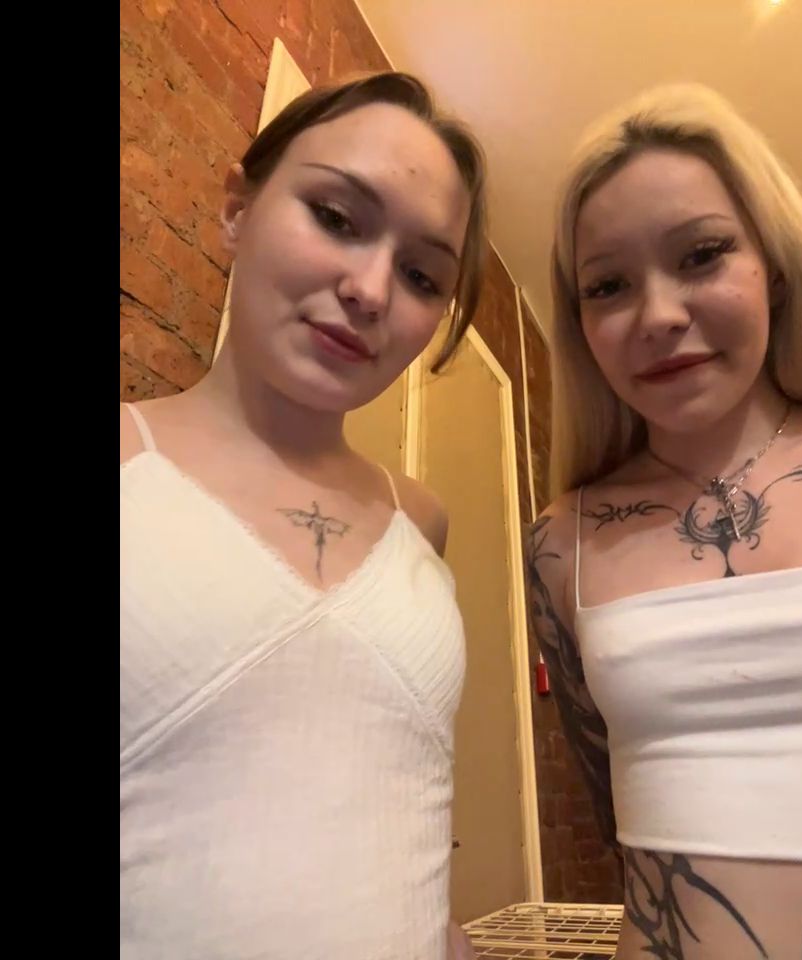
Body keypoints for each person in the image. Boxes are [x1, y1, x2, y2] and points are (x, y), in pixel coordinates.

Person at [120, 72, 486, 959]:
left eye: (422, 274)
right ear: (237, 209)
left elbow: (398, 807)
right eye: (336, 217)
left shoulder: (421, 522)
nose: (371, 290)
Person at [527, 83, 802, 959]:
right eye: (608, 285)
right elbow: (618, 831)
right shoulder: (561, 544)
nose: (659, 316)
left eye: (701, 255)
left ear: (775, 267)